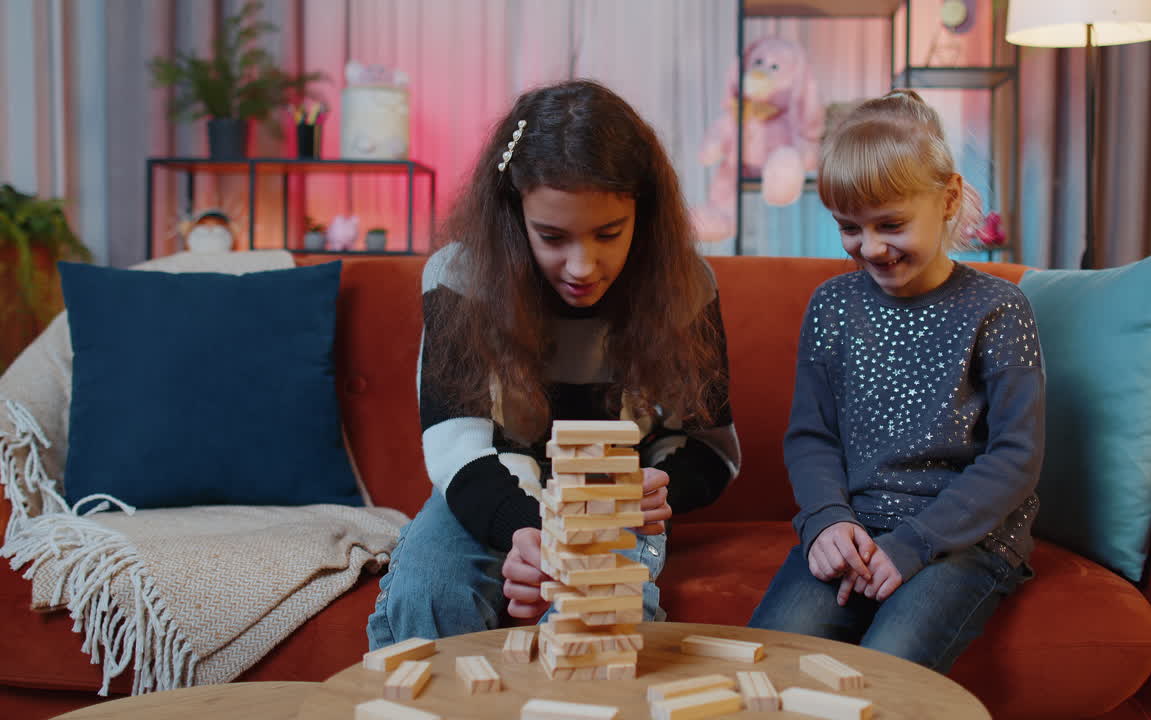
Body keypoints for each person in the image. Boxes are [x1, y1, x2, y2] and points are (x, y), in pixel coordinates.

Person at [367, 80, 740, 648]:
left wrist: (664, 485)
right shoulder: (459, 277)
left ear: (643, 211)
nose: (583, 266)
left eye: (609, 233)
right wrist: (531, 531)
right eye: (552, 236)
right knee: (426, 594)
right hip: (494, 484)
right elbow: (457, 447)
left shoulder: (684, 286)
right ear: (513, 215)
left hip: (612, 498)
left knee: (601, 616)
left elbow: (713, 447)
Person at [748, 89, 1043, 673]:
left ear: (949, 198)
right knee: (768, 665)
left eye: (891, 224)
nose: (871, 247)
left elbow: (1015, 458)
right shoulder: (831, 305)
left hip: (966, 538)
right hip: (855, 529)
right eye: (849, 228)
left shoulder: (998, 309)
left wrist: (912, 545)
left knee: (888, 668)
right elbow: (812, 438)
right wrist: (828, 520)